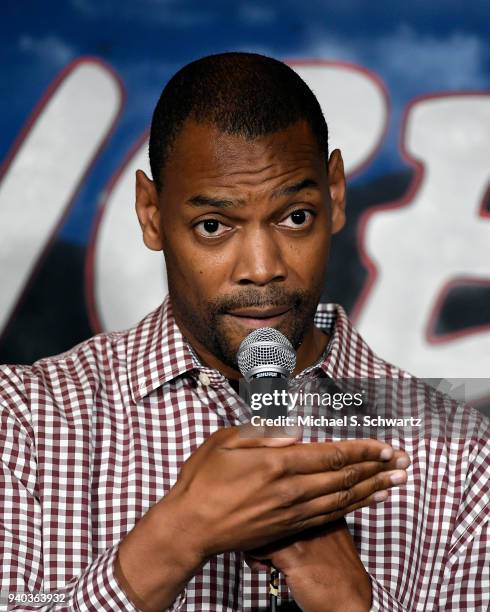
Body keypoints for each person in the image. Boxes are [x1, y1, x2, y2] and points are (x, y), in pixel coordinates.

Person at [0, 52, 488, 612]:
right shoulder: (24, 424)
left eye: (295, 216)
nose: (261, 266)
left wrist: (349, 598)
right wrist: (177, 535)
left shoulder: (461, 456)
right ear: (151, 213)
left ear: (334, 194)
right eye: (214, 226)